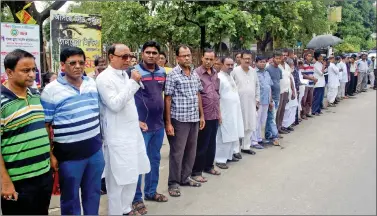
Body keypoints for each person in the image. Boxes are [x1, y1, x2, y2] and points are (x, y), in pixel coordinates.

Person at [41, 47, 105, 215]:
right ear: (62, 65)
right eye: (72, 63)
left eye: (81, 62)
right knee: (70, 199)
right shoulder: (51, 90)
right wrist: (51, 154)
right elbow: (46, 125)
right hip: (69, 157)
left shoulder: (92, 84)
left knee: (93, 195)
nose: (78, 66)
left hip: (94, 152)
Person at [96, 44, 150, 215]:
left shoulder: (124, 75)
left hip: (132, 134)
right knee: (117, 181)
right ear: (111, 57)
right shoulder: (104, 79)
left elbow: (128, 104)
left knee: (132, 176)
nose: (128, 60)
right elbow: (115, 104)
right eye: (123, 56)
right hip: (117, 137)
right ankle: (116, 212)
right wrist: (134, 82)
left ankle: (127, 209)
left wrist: (137, 122)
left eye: (129, 56)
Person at [1, 49, 52, 215]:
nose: (31, 74)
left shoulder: (35, 94)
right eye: (25, 70)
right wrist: (5, 182)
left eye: (33, 70)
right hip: (18, 181)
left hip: (43, 175)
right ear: (9, 72)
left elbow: (40, 130)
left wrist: (50, 156)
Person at [129, 41, 168, 215]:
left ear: (159, 55)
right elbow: (127, 98)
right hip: (141, 126)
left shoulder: (162, 72)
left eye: (154, 53)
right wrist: (135, 121)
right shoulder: (133, 72)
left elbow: (165, 97)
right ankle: (137, 199)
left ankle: (151, 192)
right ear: (142, 53)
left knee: (154, 159)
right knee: (138, 163)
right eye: (148, 52)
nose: (151, 55)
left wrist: (167, 122)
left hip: (158, 125)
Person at [165, 45, 205, 197]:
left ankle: (185, 177)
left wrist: (201, 115)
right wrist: (168, 123)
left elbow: (198, 95)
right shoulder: (173, 75)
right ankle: (173, 183)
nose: (187, 58)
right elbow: (167, 99)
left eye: (189, 55)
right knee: (177, 152)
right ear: (177, 58)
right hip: (179, 120)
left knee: (191, 151)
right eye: (184, 56)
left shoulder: (194, 73)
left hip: (194, 118)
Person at [191, 49, 221, 183]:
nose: (208, 62)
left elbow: (216, 94)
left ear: (215, 60)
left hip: (214, 113)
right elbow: (196, 96)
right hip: (203, 115)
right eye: (206, 59)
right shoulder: (196, 73)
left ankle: (209, 166)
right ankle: (196, 171)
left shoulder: (215, 74)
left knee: (212, 143)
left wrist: (219, 114)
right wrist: (201, 115)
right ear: (202, 58)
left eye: (211, 59)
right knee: (201, 144)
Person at [215, 57, 244, 169]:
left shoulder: (230, 76)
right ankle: (220, 159)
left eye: (232, 65)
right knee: (223, 136)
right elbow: (217, 97)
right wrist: (219, 113)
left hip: (234, 111)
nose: (231, 67)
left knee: (232, 134)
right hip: (225, 112)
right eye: (228, 65)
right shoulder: (219, 77)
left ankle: (228, 156)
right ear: (222, 65)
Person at [231, 50, 260, 155]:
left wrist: (257, 99)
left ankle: (246, 146)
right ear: (241, 59)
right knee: (239, 125)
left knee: (250, 124)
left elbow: (257, 86)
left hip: (251, 103)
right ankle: (236, 149)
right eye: (245, 58)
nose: (247, 60)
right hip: (238, 103)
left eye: (249, 58)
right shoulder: (235, 71)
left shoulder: (253, 71)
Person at [251, 56, 275, 149]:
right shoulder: (253, 73)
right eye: (260, 62)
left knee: (262, 121)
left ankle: (259, 138)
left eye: (264, 62)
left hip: (266, 101)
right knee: (255, 121)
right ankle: (254, 141)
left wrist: (271, 101)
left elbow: (269, 88)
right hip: (258, 102)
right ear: (256, 63)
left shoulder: (267, 73)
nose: (263, 63)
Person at [265, 52, 282, 144]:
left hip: (277, 96)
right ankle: (275, 136)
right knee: (271, 117)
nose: (278, 60)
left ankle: (268, 134)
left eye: (280, 58)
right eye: (277, 58)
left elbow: (278, 82)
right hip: (270, 97)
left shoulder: (279, 70)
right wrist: (270, 99)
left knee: (270, 117)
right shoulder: (268, 69)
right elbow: (268, 85)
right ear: (273, 58)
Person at [276, 49, 291, 134]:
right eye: (283, 55)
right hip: (279, 91)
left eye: (286, 55)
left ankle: (280, 127)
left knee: (282, 110)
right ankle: (275, 129)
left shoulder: (287, 66)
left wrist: (290, 91)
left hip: (286, 90)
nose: (284, 57)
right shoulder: (277, 66)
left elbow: (289, 78)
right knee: (278, 110)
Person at [281, 58, 298, 131]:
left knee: (292, 109)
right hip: (287, 93)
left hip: (291, 93)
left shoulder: (291, 74)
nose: (292, 67)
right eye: (291, 65)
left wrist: (294, 92)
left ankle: (288, 124)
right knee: (287, 110)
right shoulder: (286, 74)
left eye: (293, 65)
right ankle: (284, 125)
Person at [300, 52, 317, 119]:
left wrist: (314, 79)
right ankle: (303, 113)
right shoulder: (303, 64)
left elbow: (313, 73)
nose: (310, 57)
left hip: (311, 84)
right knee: (304, 99)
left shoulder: (312, 65)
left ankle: (307, 112)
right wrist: (310, 78)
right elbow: (302, 74)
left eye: (311, 56)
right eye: (309, 56)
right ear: (305, 56)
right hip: (306, 84)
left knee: (310, 99)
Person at [312, 51, 326, 115]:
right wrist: (323, 65)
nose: (322, 57)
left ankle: (318, 109)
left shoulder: (320, 63)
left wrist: (324, 66)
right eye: (320, 56)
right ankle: (314, 110)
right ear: (317, 57)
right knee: (317, 98)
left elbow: (324, 71)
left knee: (321, 98)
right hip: (318, 84)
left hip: (322, 83)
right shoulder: (316, 65)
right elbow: (321, 73)